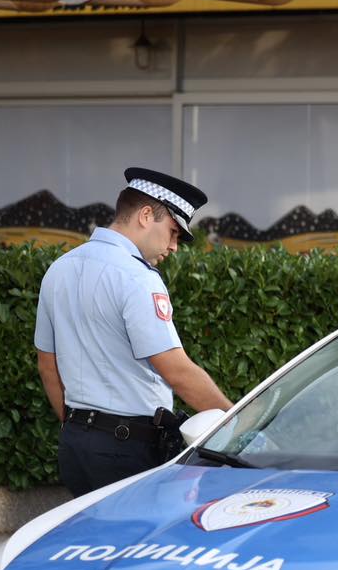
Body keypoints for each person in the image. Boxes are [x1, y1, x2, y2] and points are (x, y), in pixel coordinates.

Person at [35, 167, 232, 497]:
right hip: (127, 450)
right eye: (173, 232)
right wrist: (236, 420)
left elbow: (47, 366)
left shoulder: (60, 269)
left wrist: (76, 428)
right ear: (145, 215)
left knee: (91, 532)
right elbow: (176, 371)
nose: (174, 247)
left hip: (75, 447)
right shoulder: (137, 277)